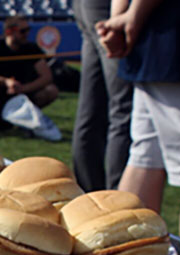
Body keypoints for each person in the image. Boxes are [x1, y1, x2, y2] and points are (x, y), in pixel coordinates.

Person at [97, 0, 180, 236]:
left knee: (145, 156)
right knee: (145, 156)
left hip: (154, 38)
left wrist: (120, 18)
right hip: (167, 35)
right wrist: (130, 16)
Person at [72, 0, 133, 193]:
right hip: (109, 9)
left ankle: (90, 198)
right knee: (123, 111)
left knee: (92, 109)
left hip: (89, 8)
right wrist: (117, 18)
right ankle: (113, 201)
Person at [0, 16, 59, 124]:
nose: (26, 34)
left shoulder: (32, 48)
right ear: (8, 32)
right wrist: (6, 82)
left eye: (28, 30)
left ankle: (28, 116)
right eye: (22, 31)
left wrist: (23, 88)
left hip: (25, 93)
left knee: (51, 90)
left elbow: (46, 76)